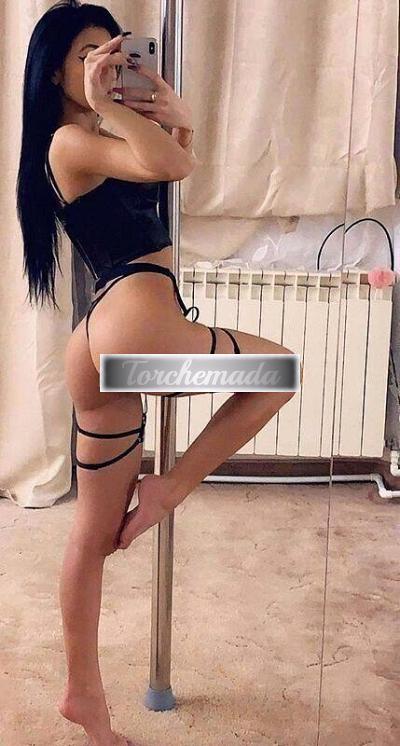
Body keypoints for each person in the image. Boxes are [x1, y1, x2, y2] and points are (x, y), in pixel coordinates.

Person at [17, 2, 300, 745]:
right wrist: (122, 110)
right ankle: (171, 487)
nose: (105, 64)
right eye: (88, 55)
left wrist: (176, 119)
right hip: (134, 316)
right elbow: (169, 168)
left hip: (100, 333)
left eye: (112, 51)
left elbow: (169, 169)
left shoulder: (95, 139)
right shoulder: (69, 140)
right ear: (54, 74)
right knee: (277, 371)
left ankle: (84, 697)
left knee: (91, 535)